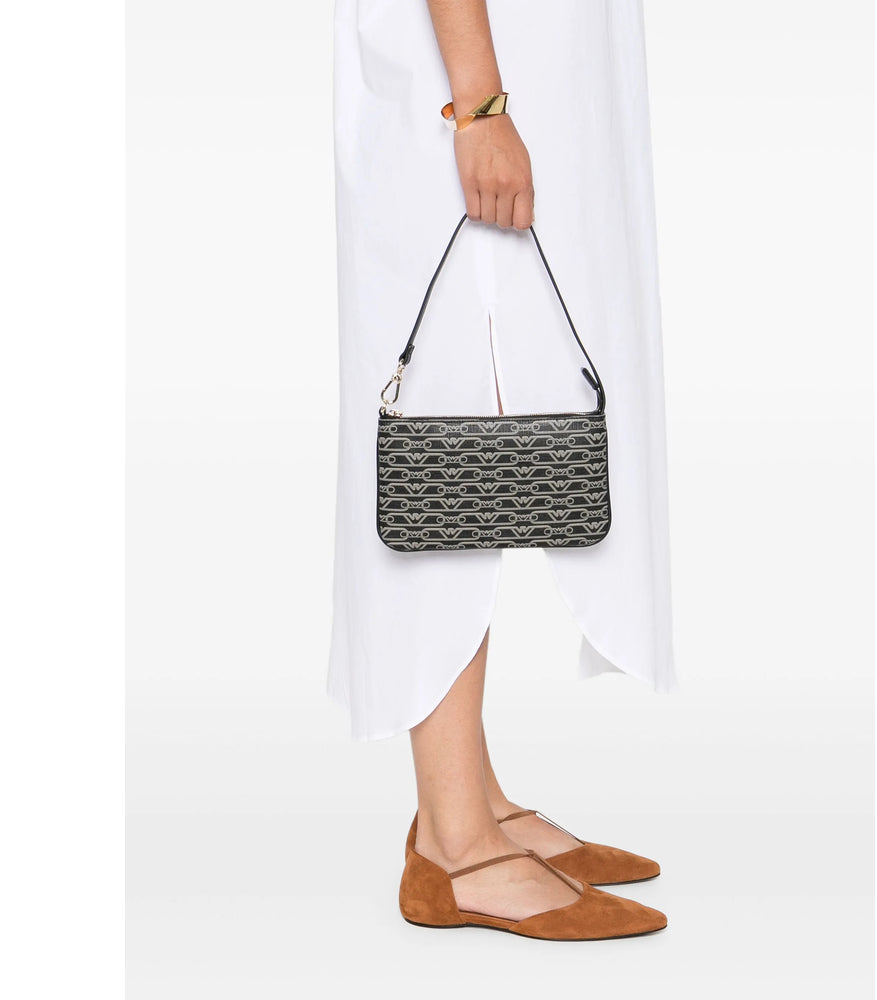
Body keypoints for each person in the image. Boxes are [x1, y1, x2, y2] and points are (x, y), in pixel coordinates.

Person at [329, 0, 676, 939]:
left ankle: (475, 803)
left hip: (511, 80)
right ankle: (454, 845)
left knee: (478, 423)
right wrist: (479, 104)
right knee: (448, 448)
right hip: (465, 87)